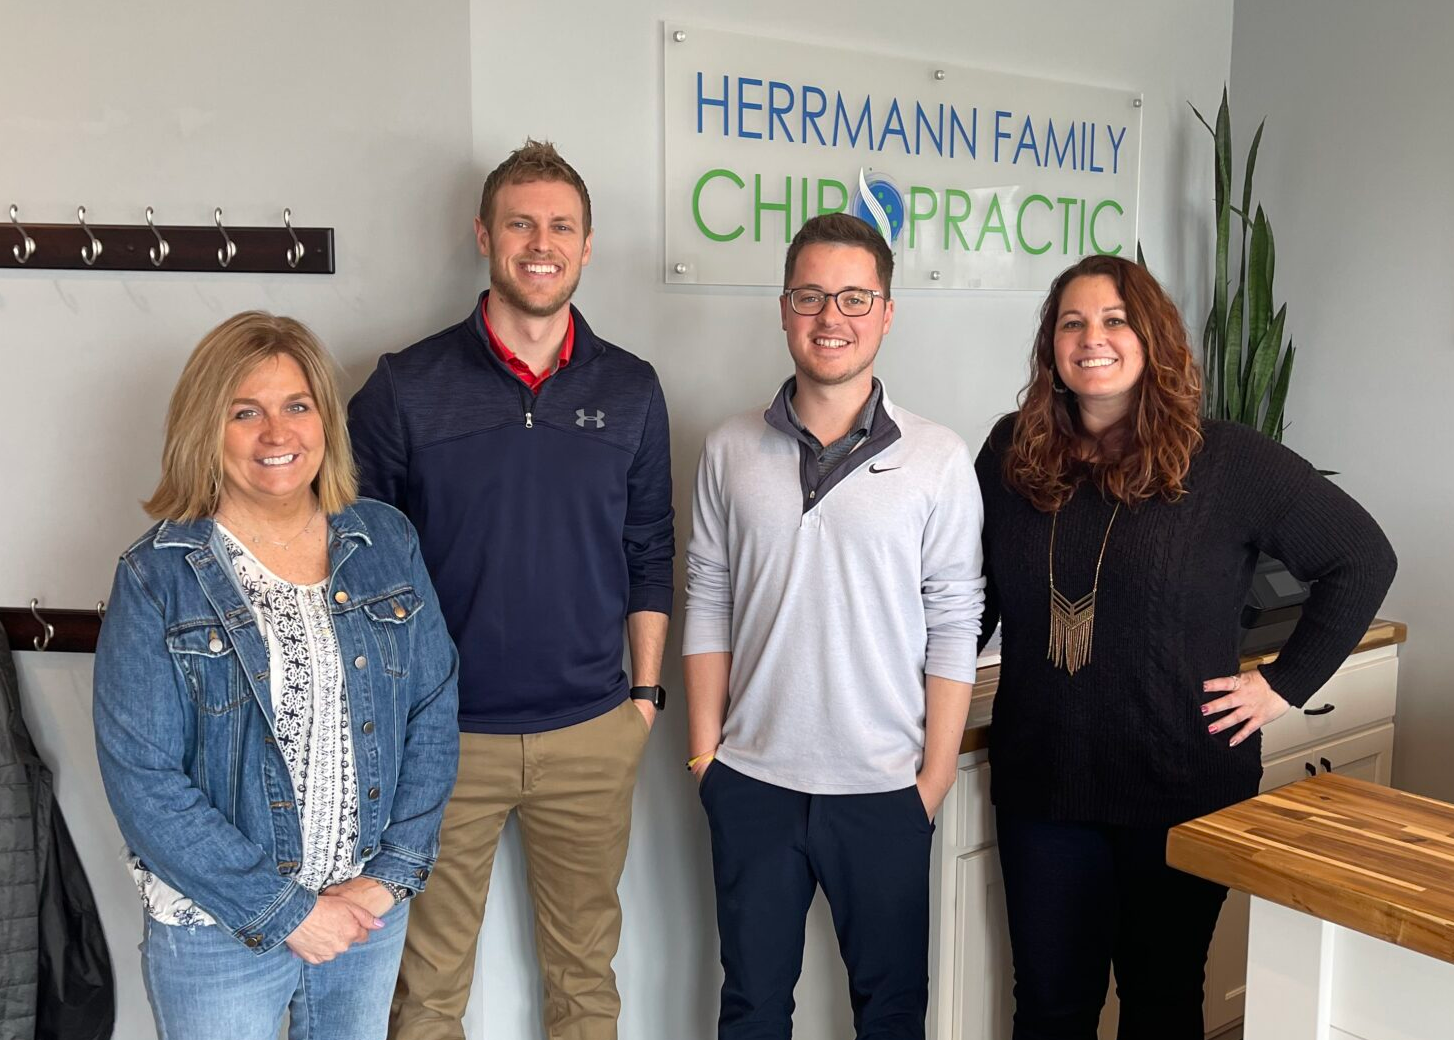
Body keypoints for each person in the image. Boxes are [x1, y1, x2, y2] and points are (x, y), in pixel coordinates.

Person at [975, 254, 1398, 1039]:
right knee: (1049, 1005)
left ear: (1152, 337)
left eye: (1114, 320)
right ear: (1051, 346)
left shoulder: (1227, 459)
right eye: (1072, 322)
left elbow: (1362, 557)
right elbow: (974, 595)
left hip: (1179, 788)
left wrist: (1282, 684)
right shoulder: (1010, 453)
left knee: (1161, 1001)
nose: (1091, 338)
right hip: (1044, 787)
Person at [347, 139, 675, 1040]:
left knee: (585, 979)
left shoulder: (633, 389)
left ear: (588, 244)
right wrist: (399, 717)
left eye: (561, 225)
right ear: (483, 234)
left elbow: (651, 551)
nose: (542, 242)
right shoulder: (404, 388)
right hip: (446, 745)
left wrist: (643, 700)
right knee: (427, 989)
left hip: (590, 733)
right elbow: (356, 571)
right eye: (522, 223)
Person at [93, 312, 460, 1040]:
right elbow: (145, 779)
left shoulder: (385, 539)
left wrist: (391, 876)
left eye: (297, 406)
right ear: (207, 429)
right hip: (219, 934)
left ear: (325, 417)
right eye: (245, 413)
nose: (277, 434)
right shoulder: (157, 576)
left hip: (363, 919)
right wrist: (290, 912)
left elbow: (433, 712)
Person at [682, 212, 985, 1039]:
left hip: (885, 788)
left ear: (888, 312)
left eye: (855, 297)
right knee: (750, 1009)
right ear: (783, 308)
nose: (831, 317)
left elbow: (957, 619)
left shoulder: (937, 458)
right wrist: (706, 757)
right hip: (752, 785)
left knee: (890, 1016)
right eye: (811, 295)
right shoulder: (729, 448)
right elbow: (706, 596)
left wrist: (934, 779)